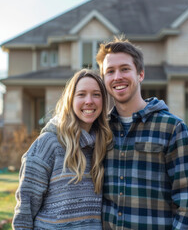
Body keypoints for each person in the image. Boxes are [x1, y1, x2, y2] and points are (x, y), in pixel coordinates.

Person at [96, 37, 188, 229]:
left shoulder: (172, 128)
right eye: (110, 71)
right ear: (104, 79)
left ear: (141, 74)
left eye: (125, 69)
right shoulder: (102, 130)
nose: (117, 76)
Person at [12, 69, 113, 229]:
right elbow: (25, 210)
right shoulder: (48, 143)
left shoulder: (103, 146)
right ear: (70, 100)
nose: (89, 101)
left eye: (96, 94)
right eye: (81, 94)